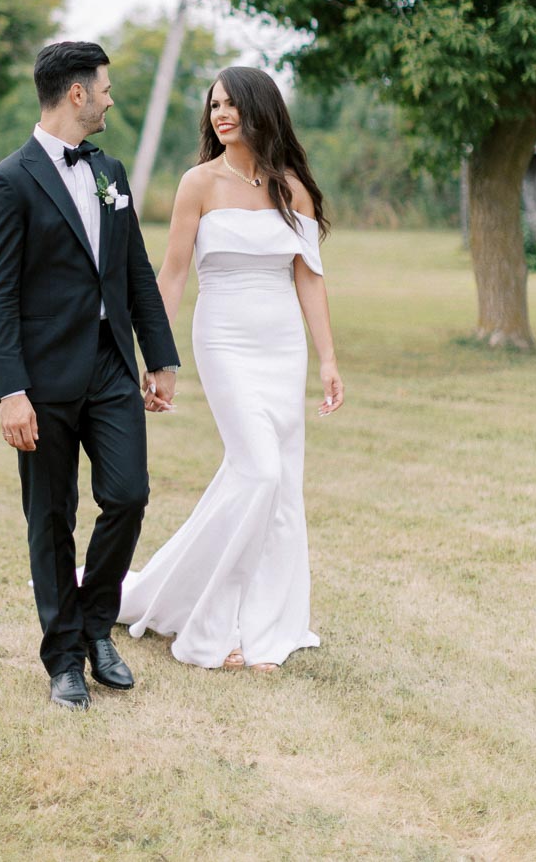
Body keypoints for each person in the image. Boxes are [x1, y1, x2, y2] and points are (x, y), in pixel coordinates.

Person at [0, 41, 181, 710]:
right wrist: (11, 391)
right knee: (51, 517)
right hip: (43, 379)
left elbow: (135, 270)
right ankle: (63, 657)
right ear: (76, 94)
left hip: (111, 366)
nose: (111, 98)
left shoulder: (109, 171)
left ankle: (96, 626)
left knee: (128, 495)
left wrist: (160, 358)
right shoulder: (8, 182)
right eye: (105, 88)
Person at [122, 66, 344, 670]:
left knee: (279, 484)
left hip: (282, 345)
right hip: (222, 340)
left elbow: (309, 278)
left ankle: (266, 626)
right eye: (214, 105)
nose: (220, 114)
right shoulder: (198, 183)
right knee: (260, 471)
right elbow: (173, 273)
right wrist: (158, 355)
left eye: (231, 104)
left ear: (259, 109)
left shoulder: (292, 189)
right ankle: (208, 631)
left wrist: (327, 358)